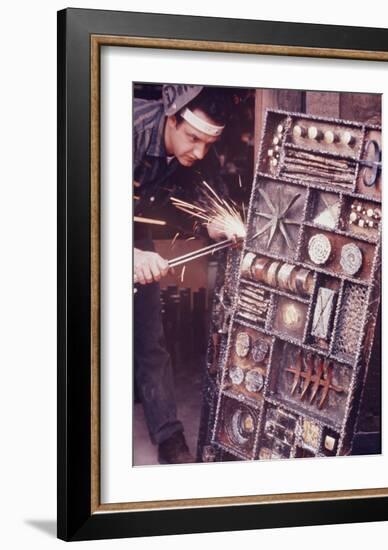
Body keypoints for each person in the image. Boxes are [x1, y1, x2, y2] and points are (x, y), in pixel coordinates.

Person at [133, 84, 235, 464]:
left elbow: (192, 201)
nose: (199, 151)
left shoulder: (194, 149)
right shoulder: (124, 128)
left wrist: (213, 225)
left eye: (207, 143)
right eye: (193, 138)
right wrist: (125, 254)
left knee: (148, 335)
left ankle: (168, 435)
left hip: (131, 220)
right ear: (171, 117)